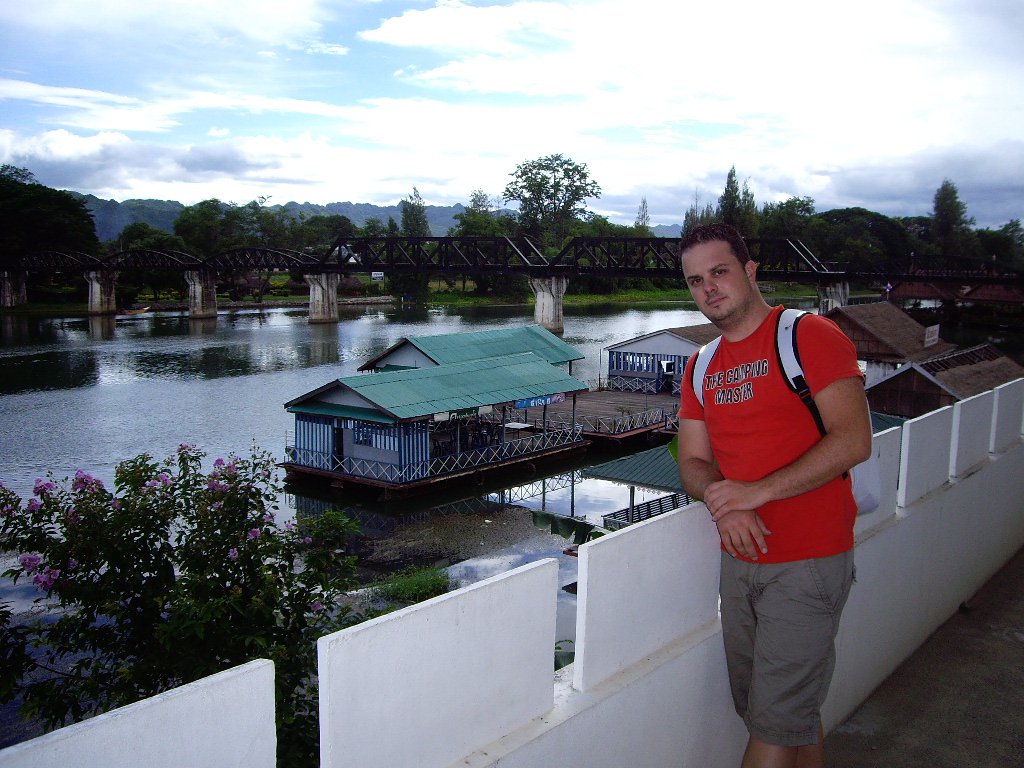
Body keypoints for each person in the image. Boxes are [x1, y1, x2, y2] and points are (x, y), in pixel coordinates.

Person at [676, 224, 872, 768]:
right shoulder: (702, 365)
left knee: (772, 724)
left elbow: (854, 440)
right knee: (780, 717)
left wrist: (753, 494)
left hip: (808, 560)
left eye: (720, 272)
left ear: (750, 271)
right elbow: (692, 460)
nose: (709, 288)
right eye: (696, 281)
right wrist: (723, 498)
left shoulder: (808, 336)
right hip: (739, 564)